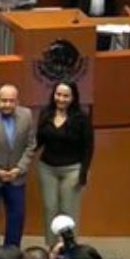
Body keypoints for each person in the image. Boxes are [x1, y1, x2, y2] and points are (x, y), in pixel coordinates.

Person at [0, 84, 36, 257]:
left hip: (17, 177)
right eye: (4, 101)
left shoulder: (27, 115)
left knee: (16, 217)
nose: (7, 105)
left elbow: (30, 145)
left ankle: (11, 254)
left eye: (11, 101)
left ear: (17, 101)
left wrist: (19, 168)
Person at [36, 81, 94, 245]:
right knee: (50, 209)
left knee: (68, 210)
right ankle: (52, 248)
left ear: (73, 97)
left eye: (65, 95)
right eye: (58, 94)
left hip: (72, 169)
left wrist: (83, 173)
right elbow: (39, 140)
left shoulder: (81, 117)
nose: (61, 99)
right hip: (47, 168)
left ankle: (69, 248)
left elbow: (89, 146)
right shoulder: (45, 113)